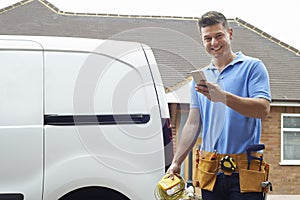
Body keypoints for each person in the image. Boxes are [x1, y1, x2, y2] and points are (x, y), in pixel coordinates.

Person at [167, 11, 271, 200]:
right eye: (208, 38)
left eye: (219, 36)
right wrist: (176, 162)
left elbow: (262, 109)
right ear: (202, 40)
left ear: (230, 34)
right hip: (211, 172)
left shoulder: (253, 67)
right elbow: (192, 124)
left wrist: (223, 97)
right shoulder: (200, 79)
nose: (214, 43)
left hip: (244, 173)